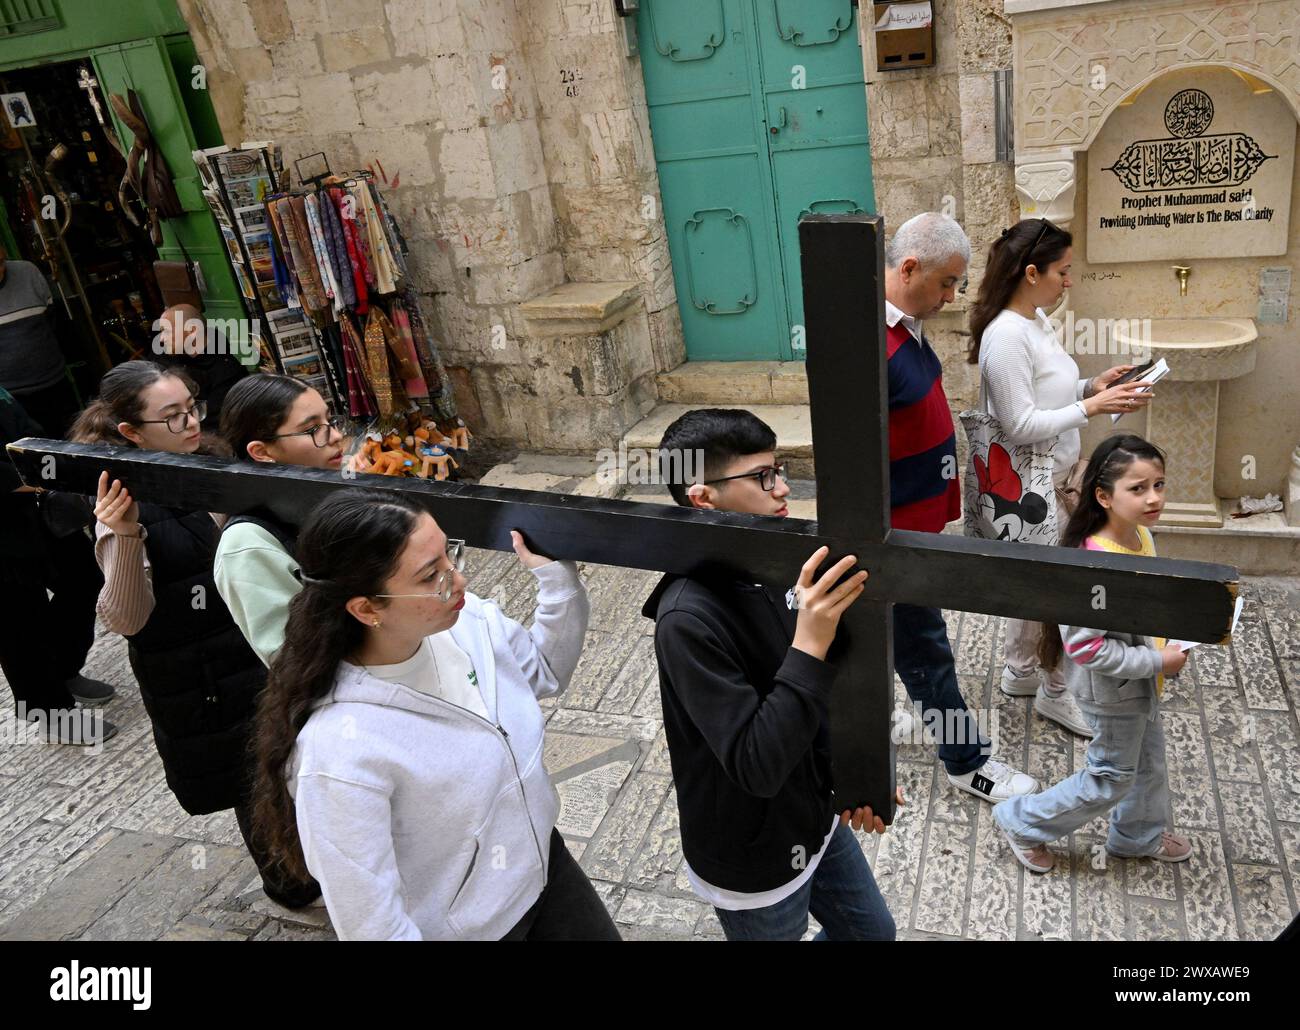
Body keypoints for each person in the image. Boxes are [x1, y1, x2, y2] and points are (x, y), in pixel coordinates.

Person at [249, 489, 618, 940]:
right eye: (430, 576)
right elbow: (371, 923)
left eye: (449, 556)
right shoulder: (338, 755)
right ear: (366, 608)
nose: (457, 580)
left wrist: (559, 584)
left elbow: (540, 672)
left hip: (547, 871)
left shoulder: (466, 622)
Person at [68, 360, 320, 907]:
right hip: (201, 677)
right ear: (131, 433)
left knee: (300, 764)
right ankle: (291, 884)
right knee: (253, 785)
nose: (190, 424)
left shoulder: (212, 465)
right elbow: (127, 618)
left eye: (192, 409)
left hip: (254, 653)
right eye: (172, 417)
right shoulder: (118, 499)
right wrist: (123, 536)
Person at [646, 408, 900, 941]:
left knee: (873, 933)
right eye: (763, 478)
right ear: (703, 497)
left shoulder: (775, 558)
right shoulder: (686, 618)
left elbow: (820, 692)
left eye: (779, 469)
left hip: (817, 813)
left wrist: (856, 765)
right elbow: (756, 764)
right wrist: (810, 640)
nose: (783, 488)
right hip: (753, 851)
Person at [969, 217, 1157, 738]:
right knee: (1062, 592)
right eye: (1063, 271)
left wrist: (1089, 384)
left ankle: (1022, 671)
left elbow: (1046, 394)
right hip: (1034, 489)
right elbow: (1021, 424)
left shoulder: (1033, 319)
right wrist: (1093, 407)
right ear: (1031, 272)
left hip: (1056, 480)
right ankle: (1055, 691)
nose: (1068, 281)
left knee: (1039, 586)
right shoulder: (1005, 335)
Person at [883, 212, 1037, 803]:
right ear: (909, 267)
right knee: (925, 647)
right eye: (947, 282)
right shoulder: (871, 338)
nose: (953, 296)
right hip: (894, 536)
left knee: (892, 641)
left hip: (916, 524)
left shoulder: (907, 326)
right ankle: (968, 762)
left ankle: (862, 725)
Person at [993, 433, 1190, 872]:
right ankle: (1022, 822)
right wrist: (1158, 660)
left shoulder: (1140, 536)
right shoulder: (1094, 564)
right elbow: (1086, 647)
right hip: (1112, 694)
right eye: (1137, 489)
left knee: (1149, 765)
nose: (1153, 497)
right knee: (1110, 778)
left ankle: (1136, 836)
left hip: (1139, 685)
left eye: (1158, 484)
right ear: (1103, 496)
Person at [0, 386, 117, 744]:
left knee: (83, 576)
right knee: (18, 621)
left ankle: (62, 666)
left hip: (34, 512)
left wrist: (55, 465)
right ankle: (50, 711)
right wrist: (37, 480)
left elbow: (29, 431)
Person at [214, 374, 344, 665]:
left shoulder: (333, 494)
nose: (335, 436)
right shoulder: (247, 543)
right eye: (312, 429)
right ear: (262, 452)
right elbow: (296, 660)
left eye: (330, 420)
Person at [0, 248, 77, 438]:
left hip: (53, 381)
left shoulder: (27, 272)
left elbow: (52, 320)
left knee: (74, 442)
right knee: (34, 454)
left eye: (0, 263)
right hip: (10, 398)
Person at [152, 303, 248, 429]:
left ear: (192, 330)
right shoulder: (170, 361)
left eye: (167, 331)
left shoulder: (228, 371)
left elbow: (217, 424)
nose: (162, 339)